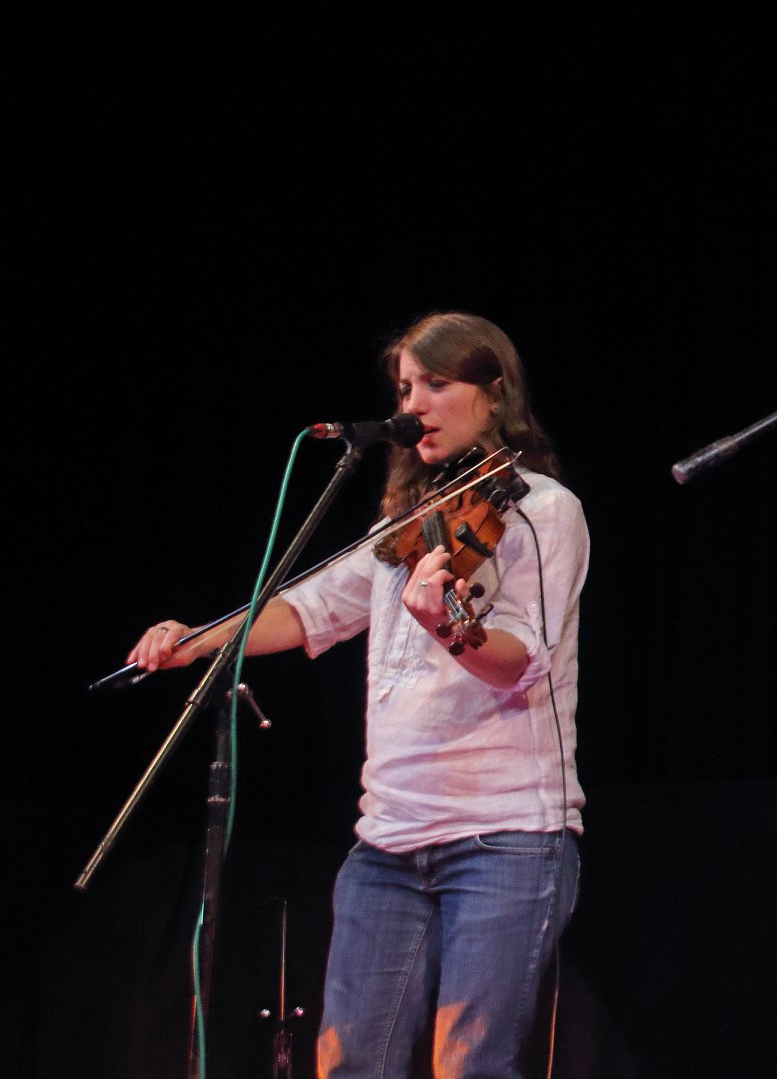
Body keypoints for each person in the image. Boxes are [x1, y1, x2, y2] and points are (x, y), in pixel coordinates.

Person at [128, 311, 589, 1078]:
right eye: (406, 386)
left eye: (437, 384)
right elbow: (308, 607)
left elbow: (518, 661)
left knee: (470, 1067)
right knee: (348, 1065)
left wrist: (447, 627)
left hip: (505, 835)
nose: (414, 406)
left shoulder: (541, 511)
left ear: (494, 391)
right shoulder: (406, 528)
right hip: (386, 842)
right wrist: (199, 638)